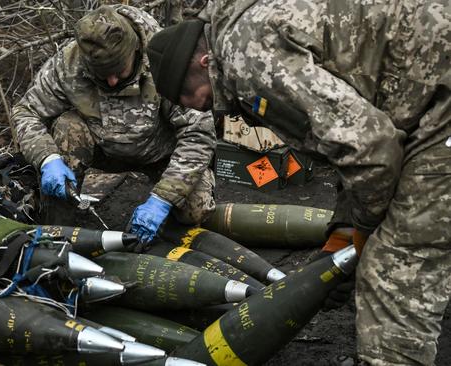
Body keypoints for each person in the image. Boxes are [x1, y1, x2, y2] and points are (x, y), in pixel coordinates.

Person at [145, 0, 450, 365]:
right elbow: (344, 142)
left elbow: (370, 149)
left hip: (438, 106)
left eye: (185, 96)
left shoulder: (247, 58)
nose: (196, 108)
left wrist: (367, 229)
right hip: (427, 88)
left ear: (202, 63)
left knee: (392, 271)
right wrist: (345, 225)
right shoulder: (244, 32)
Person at [12, 5, 216, 244]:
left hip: (162, 154)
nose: (112, 80)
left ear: (135, 50)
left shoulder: (164, 59)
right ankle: (57, 232)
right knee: (68, 127)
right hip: (102, 148)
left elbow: (198, 133)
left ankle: (164, 231)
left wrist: (163, 198)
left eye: (119, 70)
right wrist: (47, 158)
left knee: (196, 209)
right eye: (102, 73)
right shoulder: (69, 63)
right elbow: (25, 111)